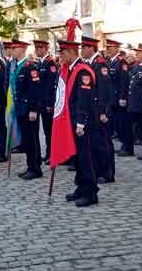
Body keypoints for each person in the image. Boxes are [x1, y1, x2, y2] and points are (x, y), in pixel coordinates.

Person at [59, 40, 100, 207]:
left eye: (62, 53)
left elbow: (84, 100)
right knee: (78, 157)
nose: (60, 57)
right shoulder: (72, 69)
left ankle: (91, 192)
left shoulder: (83, 71)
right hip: (74, 120)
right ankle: (81, 187)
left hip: (84, 123)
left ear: (70, 52)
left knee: (86, 157)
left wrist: (81, 123)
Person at [81, 36, 115, 183]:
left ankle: (107, 173)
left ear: (90, 48)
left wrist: (103, 111)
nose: (82, 50)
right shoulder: (89, 63)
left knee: (103, 143)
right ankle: (98, 169)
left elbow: (104, 90)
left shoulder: (100, 64)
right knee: (95, 142)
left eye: (83, 47)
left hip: (100, 111)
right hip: (92, 110)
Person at [10, 40, 42, 180]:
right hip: (21, 109)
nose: (12, 50)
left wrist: (34, 109)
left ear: (22, 49)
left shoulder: (30, 67)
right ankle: (31, 166)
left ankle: (35, 169)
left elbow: (35, 90)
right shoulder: (17, 66)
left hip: (29, 110)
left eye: (14, 47)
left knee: (32, 139)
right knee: (27, 140)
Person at [33, 40, 58, 162]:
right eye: (36, 48)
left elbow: (51, 85)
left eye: (39, 48)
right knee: (46, 129)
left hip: (47, 103)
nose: (36, 50)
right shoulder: (40, 63)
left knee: (50, 130)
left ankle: (52, 154)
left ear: (44, 49)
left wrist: (49, 103)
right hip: (41, 102)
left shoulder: (50, 63)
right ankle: (49, 152)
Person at [107, 40, 133, 157]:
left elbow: (124, 81)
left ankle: (128, 146)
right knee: (117, 124)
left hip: (119, 99)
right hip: (112, 98)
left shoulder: (121, 62)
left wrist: (123, 97)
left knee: (123, 124)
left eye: (110, 47)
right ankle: (124, 144)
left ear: (117, 48)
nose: (107, 50)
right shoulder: (110, 62)